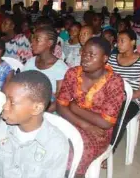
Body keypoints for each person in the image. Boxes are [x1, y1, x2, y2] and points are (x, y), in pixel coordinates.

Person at [0, 70, 69, 178]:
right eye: (6, 100)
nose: (4, 106)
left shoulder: (56, 144)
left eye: (12, 102)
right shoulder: (3, 127)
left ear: (36, 108)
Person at [56, 37, 125, 176]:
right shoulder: (73, 73)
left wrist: (75, 108)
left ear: (105, 58)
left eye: (92, 55)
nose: (85, 58)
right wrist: (84, 124)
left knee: (75, 153)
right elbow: (60, 105)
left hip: (98, 132)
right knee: (48, 142)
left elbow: (106, 122)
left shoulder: (114, 82)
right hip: (72, 120)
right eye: (84, 53)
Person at [108, 29, 140, 151]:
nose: (118, 44)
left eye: (122, 41)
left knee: (120, 116)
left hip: (132, 98)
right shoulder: (112, 58)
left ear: (132, 42)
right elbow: (107, 80)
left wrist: (125, 97)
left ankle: (111, 149)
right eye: (118, 41)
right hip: (112, 95)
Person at [24, 26, 68, 112]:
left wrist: (39, 114)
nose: (32, 43)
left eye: (37, 40)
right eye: (32, 39)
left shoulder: (61, 68)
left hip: (47, 111)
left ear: (49, 43)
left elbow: (60, 102)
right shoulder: (30, 62)